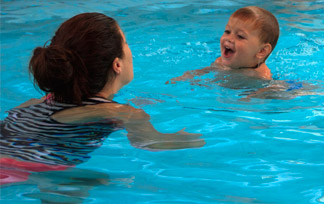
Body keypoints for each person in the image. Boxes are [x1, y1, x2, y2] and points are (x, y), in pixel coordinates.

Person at [0, 12, 205, 185]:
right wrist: (191, 140)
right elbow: (149, 143)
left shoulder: (41, 102)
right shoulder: (122, 113)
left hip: (12, 159)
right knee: (95, 181)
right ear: (117, 65)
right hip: (33, 168)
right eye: (126, 43)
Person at [168, 6, 280, 83]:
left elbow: (272, 90)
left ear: (262, 51)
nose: (229, 39)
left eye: (240, 36)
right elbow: (207, 70)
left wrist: (253, 96)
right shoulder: (221, 61)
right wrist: (189, 76)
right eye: (227, 31)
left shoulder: (260, 76)